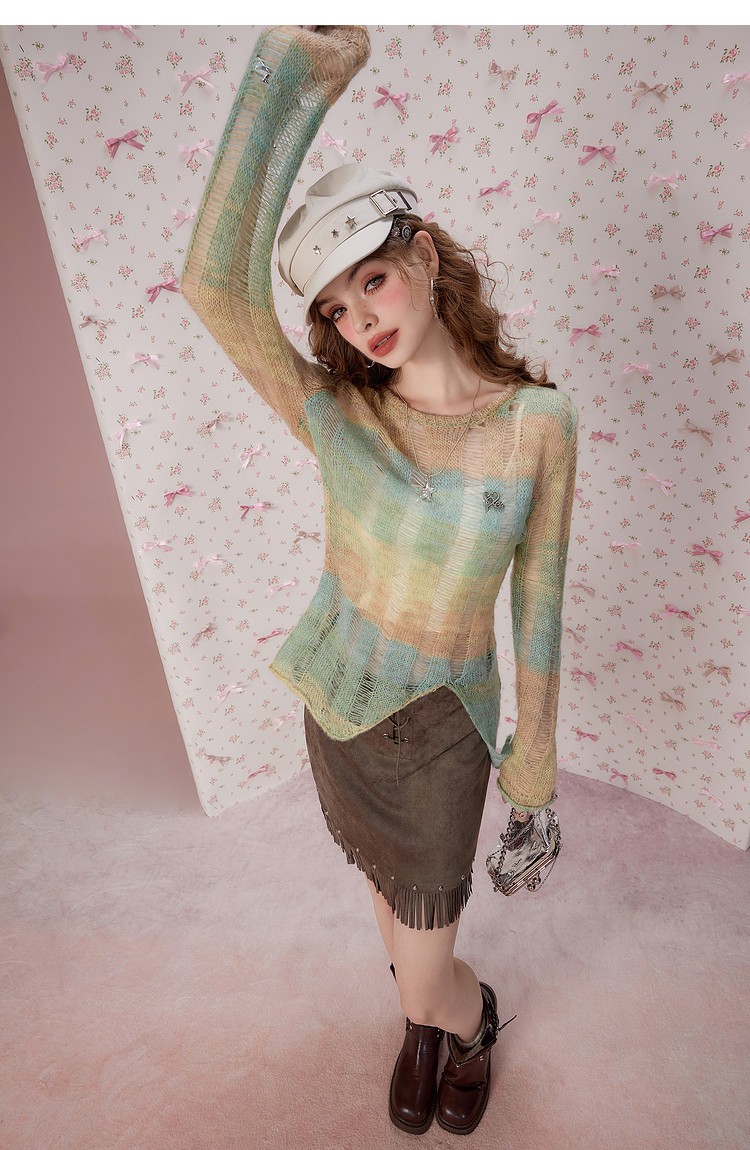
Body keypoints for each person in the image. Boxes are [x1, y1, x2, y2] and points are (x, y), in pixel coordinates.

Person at [181, 25, 578, 1137]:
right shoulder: (341, 414)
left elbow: (538, 608)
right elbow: (211, 285)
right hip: (340, 705)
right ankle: (428, 1018)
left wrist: (533, 769)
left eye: (373, 280)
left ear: (425, 257)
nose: (365, 320)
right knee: (394, 911)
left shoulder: (539, 426)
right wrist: (291, 76)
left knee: (426, 954)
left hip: (448, 727)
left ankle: (462, 1017)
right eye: (339, 310)